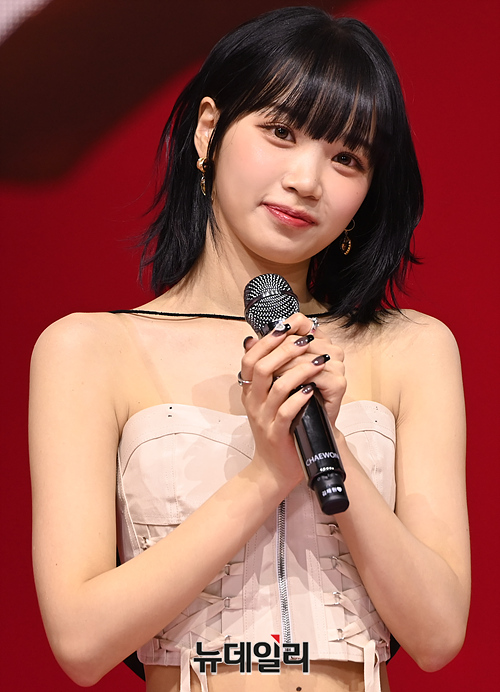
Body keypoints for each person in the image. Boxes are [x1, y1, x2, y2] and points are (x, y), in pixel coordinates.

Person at [29, 6, 470, 692]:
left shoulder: (413, 348)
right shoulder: (87, 350)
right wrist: (267, 473)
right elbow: (81, 643)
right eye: (281, 131)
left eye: (347, 158)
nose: (307, 180)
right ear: (209, 129)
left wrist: (327, 447)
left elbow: (438, 635)